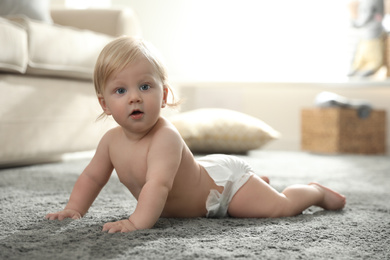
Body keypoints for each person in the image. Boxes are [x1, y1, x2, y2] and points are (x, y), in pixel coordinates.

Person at [45, 36, 346, 233]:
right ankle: (258, 185)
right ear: (105, 104)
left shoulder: (165, 137)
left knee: (280, 208)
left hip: (223, 189)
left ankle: (313, 191)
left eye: (145, 86)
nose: (134, 97)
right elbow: (91, 178)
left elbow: (158, 185)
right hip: (207, 173)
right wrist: (74, 209)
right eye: (120, 90)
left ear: (164, 95)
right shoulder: (110, 142)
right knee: (259, 199)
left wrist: (137, 222)